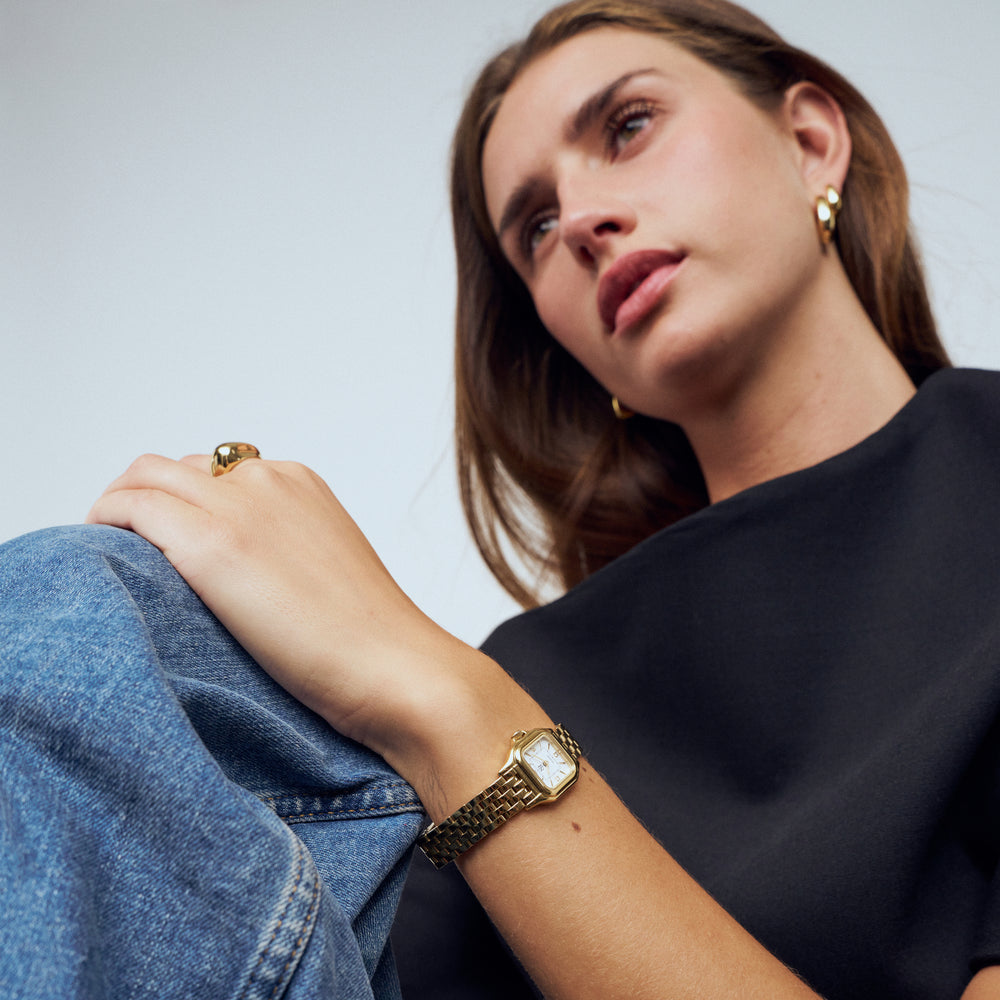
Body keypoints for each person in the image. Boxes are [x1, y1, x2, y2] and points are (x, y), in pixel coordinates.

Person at [4, 1, 999, 999]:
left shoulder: (468, 694)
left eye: (629, 127)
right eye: (536, 226)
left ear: (810, 141)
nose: (583, 222)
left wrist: (437, 694)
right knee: (81, 603)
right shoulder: (544, 671)